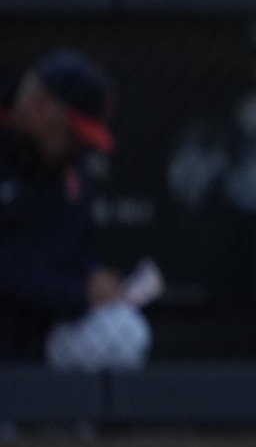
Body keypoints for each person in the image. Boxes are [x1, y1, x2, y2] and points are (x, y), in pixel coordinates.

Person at [0, 51, 148, 371]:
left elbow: (76, 248)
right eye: (71, 130)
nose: (78, 145)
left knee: (123, 330)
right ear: (38, 104)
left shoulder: (70, 170)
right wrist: (80, 295)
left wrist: (94, 278)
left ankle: (74, 418)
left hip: (42, 326)